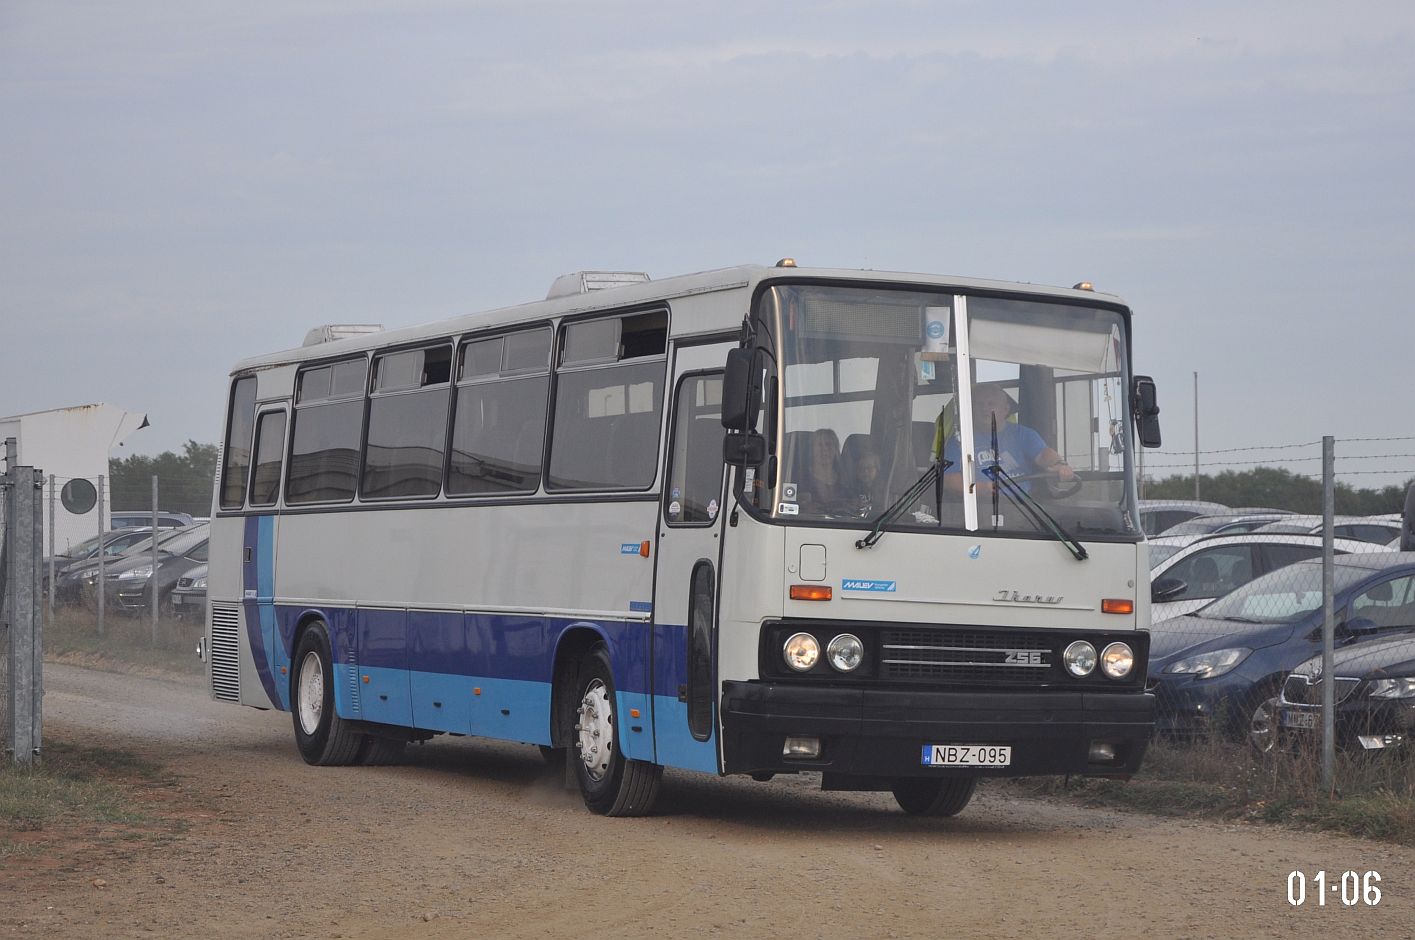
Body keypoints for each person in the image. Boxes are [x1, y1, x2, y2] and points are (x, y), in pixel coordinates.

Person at [942, 385, 1075, 496]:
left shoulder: (1023, 434)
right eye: (979, 404)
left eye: (991, 404)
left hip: (1026, 507)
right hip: (980, 509)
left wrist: (1060, 464)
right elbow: (949, 479)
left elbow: (1043, 454)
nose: (985, 408)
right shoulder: (959, 442)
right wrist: (983, 488)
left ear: (1005, 409)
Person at [800, 428, 847, 506]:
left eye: (828, 444)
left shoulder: (845, 479)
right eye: (819, 445)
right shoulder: (801, 478)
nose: (824, 449)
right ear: (812, 450)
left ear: (836, 449)